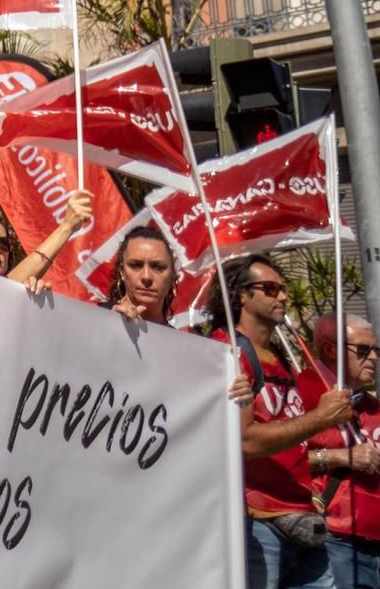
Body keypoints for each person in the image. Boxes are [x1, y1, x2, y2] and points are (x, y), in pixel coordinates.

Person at [217, 254, 352, 589]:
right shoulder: (226, 350)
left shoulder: (279, 357)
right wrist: (320, 418)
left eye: (284, 288)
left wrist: (314, 489)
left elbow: (293, 439)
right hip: (258, 524)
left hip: (302, 516)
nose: (282, 296)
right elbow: (245, 441)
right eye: (270, 288)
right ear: (242, 296)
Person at [308, 314, 380, 589]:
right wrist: (343, 457)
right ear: (331, 350)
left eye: (376, 350)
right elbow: (279, 460)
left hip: (372, 539)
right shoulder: (305, 392)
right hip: (334, 536)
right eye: (363, 350)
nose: (373, 358)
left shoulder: (372, 405)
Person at [107, 223, 184, 324]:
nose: (146, 276)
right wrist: (108, 326)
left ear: (172, 275)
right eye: (136, 265)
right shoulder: (93, 319)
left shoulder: (181, 340)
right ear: (122, 272)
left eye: (157, 267)